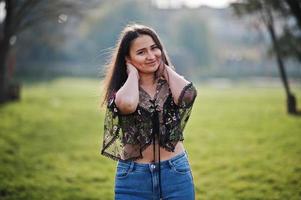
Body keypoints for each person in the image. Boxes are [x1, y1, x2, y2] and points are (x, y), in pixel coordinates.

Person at [100, 23, 197, 200]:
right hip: (133, 177)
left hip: (175, 172)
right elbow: (128, 104)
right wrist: (132, 75)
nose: (151, 56)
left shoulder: (170, 83)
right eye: (141, 52)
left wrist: (164, 67)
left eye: (154, 48)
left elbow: (188, 95)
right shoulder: (122, 89)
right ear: (127, 58)